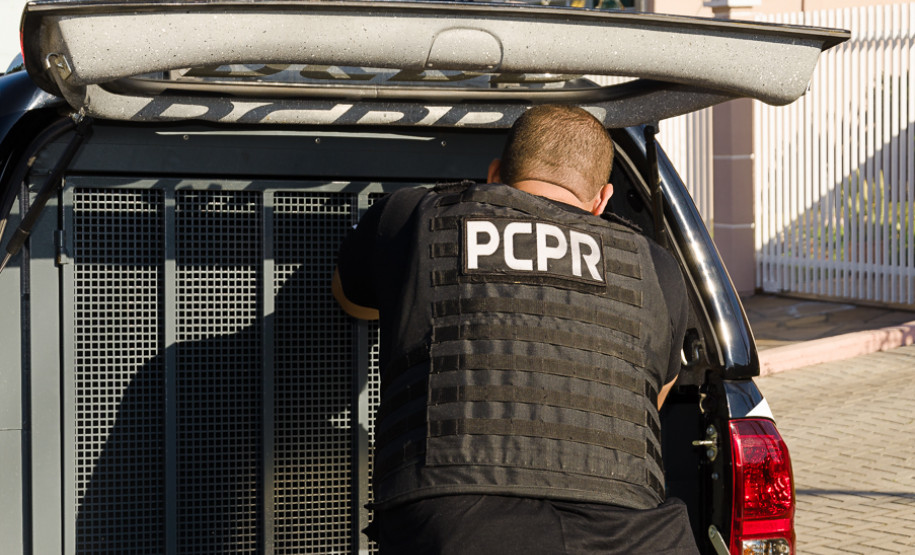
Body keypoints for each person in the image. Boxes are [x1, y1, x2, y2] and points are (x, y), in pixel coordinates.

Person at [333, 105, 698, 554]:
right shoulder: (655, 266)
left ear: (494, 173)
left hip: (460, 523)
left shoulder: (414, 215)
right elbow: (651, 398)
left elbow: (349, 296)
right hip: (636, 534)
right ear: (602, 201)